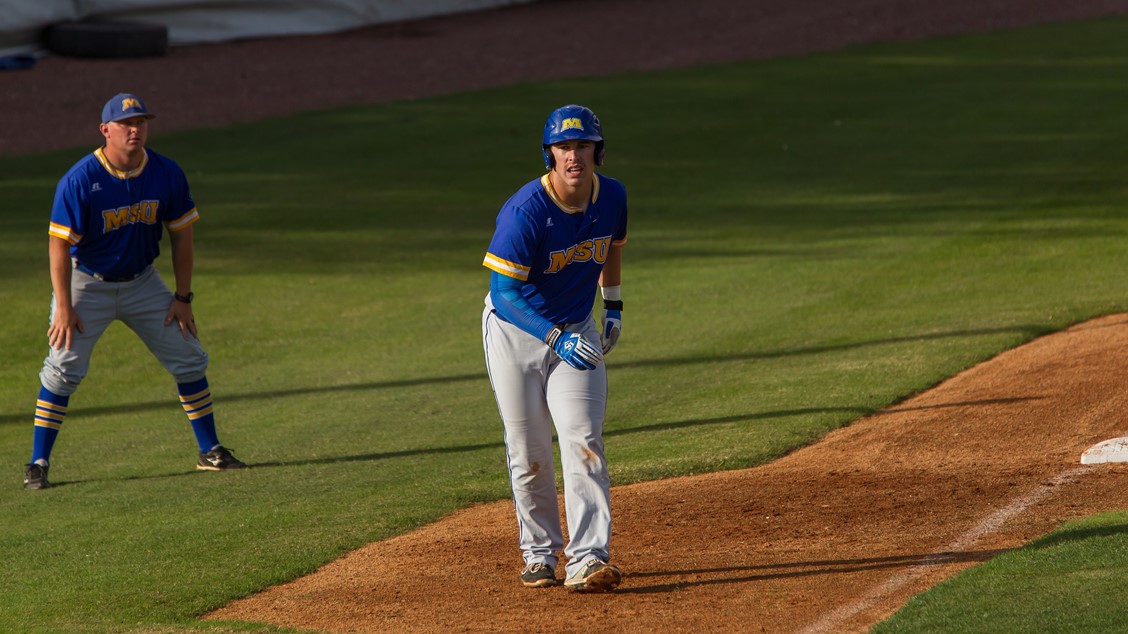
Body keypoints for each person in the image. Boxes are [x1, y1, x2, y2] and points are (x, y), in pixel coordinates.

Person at [23, 93, 245, 490]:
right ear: (105, 130)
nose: (134, 130)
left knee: (189, 357)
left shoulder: (166, 173)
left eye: (141, 122)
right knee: (63, 368)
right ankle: (38, 462)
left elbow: (182, 236)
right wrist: (64, 305)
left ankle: (210, 450)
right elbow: (58, 246)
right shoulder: (80, 180)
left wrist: (183, 297)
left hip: (142, 282)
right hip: (86, 282)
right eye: (125, 124)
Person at [481, 104, 628, 591]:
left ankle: (588, 557)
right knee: (528, 451)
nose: (573, 156)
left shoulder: (613, 197)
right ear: (549, 154)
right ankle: (539, 553)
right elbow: (504, 295)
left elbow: (611, 247)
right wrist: (553, 337)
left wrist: (612, 306)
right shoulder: (526, 211)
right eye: (563, 147)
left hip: (577, 330)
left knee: (583, 439)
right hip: (516, 334)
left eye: (582, 145)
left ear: (597, 152)